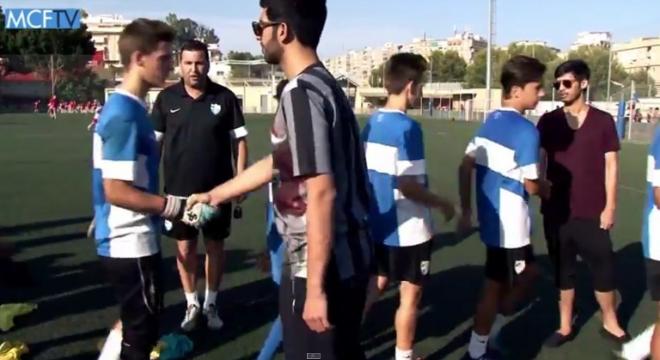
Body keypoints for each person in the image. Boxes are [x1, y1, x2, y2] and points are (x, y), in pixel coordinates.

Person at [186, 1, 373, 358]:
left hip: (319, 267)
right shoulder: (325, 85)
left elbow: (320, 192)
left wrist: (314, 288)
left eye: (260, 28)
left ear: (282, 31)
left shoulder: (300, 93)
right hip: (346, 260)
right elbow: (282, 161)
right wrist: (216, 194)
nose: (258, 36)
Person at [92, 18, 191, 360]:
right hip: (128, 241)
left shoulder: (132, 109)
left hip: (127, 236)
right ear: (138, 58)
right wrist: (174, 207)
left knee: (133, 321)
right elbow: (117, 190)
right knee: (141, 334)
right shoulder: (124, 114)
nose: (171, 65)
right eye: (164, 57)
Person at [360, 53, 454, 360]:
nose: (422, 93)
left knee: (375, 283)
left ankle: (341, 343)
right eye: (422, 86)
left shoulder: (371, 123)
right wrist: (442, 203)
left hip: (378, 223)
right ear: (410, 86)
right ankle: (404, 356)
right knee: (410, 293)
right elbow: (409, 185)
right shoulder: (408, 129)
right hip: (408, 229)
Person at [151, 39, 248, 332]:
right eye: (188, 63)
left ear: (208, 64)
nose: (194, 69)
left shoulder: (226, 98)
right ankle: (192, 302)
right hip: (178, 194)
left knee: (216, 248)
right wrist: (149, 185)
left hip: (217, 194)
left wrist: (240, 181)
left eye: (200, 63)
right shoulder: (166, 99)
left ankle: (211, 303)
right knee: (185, 248)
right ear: (180, 65)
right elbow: (155, 145)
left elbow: (240, 142)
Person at [458, 55, 550, 360]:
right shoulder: (527, 131)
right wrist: (548, 187)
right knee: (503, 284)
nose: (542, 94)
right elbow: (532, 185)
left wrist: (467, 209)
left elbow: (465, 164)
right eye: (537, 88)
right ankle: (481, 343)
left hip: (491, 221)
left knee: (508, 278)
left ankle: (484, 338)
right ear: (516, 89)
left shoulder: (491, 121)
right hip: (511, 228)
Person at [538, 59, 629, 348]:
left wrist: (610, 206)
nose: (561, 89)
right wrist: (540, 183)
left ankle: (609, 320)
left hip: (593, 212)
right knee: (563, 269)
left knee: (604, 268)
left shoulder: (602, 121)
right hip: (557, 211)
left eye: (567, 83)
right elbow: (540, 158)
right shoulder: (548, 122)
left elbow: (611, 165)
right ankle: (565, 325)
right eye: (557, 84)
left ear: (583, 84)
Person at [256, 78, 288, 360]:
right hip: (290, 221)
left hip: (277, 216)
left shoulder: (281, 124)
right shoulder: (292, 128)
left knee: (291, 301)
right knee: (293, 304)